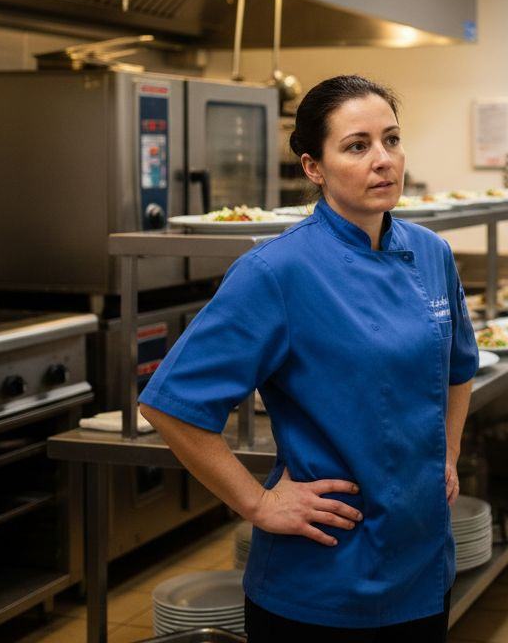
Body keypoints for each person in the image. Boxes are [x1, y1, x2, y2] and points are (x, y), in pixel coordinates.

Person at [138, 75, 478, 642]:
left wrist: (449, 452)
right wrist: (260, 502)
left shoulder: (431, 253)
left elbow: (459, 368)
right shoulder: (277, 271)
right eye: (356, 145)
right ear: (313, 167)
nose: (382, 160)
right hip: (323, 579)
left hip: (422, 566)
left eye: (391, 140)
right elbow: (171, 405)